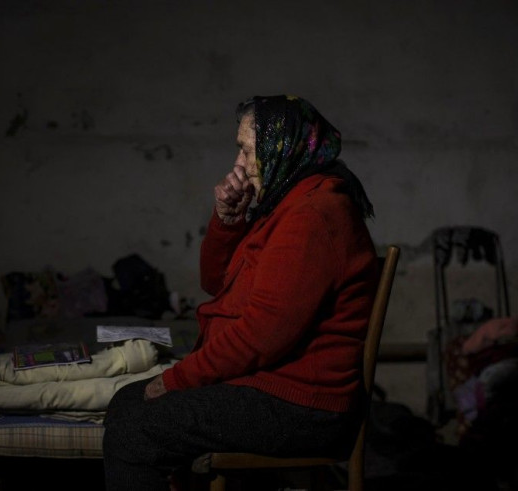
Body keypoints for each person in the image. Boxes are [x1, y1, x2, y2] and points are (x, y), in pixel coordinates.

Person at [102, 95, 380, 491]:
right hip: (268, 385)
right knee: (127, 404)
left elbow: (263, 334)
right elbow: (218, 285)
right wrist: (227, 221)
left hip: (302, 405)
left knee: (136, 431)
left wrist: (178, 379)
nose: (239, 165)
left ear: (280, 148)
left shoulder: (313, 214)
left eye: (247, 151)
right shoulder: (287, 203)